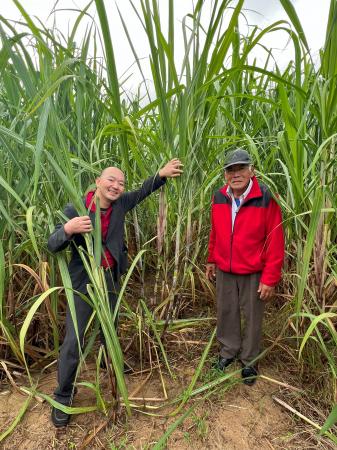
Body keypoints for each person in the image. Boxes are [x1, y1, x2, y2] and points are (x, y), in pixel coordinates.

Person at [48, 159, 183, 427]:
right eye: (111, 180)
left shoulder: (120, 204)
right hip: (84, 283)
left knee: (109, 327)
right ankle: (63, 394)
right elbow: (51, 244)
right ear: (98, 182)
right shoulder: (76, 208)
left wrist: (161, 173)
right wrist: (68, 229)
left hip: (110, 279)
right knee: (75, 339)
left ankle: (107, 363)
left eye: (121, 183)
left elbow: (143, 190)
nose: (116, 186)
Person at [206, 148, 284, 385]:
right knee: (226, 312)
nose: (236, 173)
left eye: (241, 168)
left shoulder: (266, 197)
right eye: (231, 169)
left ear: (252, 170)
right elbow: (215, 231)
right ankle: (228, 352)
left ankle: (250, 361)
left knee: (252, 317)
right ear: (225, 175)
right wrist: (211, 259)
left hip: (253, 271)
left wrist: (270, 277)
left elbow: (276, 239)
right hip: (225, 268)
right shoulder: (219, 196)